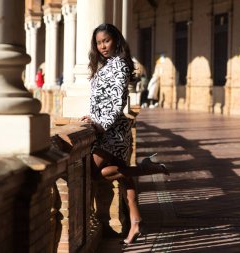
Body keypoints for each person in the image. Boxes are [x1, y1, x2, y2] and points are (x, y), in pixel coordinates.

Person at [81, 23, 169, 247]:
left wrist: (101, 124)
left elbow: (117, 100)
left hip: (113, 131)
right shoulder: (106, 64)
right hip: (106, 128)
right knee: (124, 178)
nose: (102, 46)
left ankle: (147, 168)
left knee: (93, 171)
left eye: (106, 41)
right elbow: (100, 98)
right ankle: (136, 221)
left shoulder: (119, 64)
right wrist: (92, 116)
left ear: (116, 40)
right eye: (99, 42)